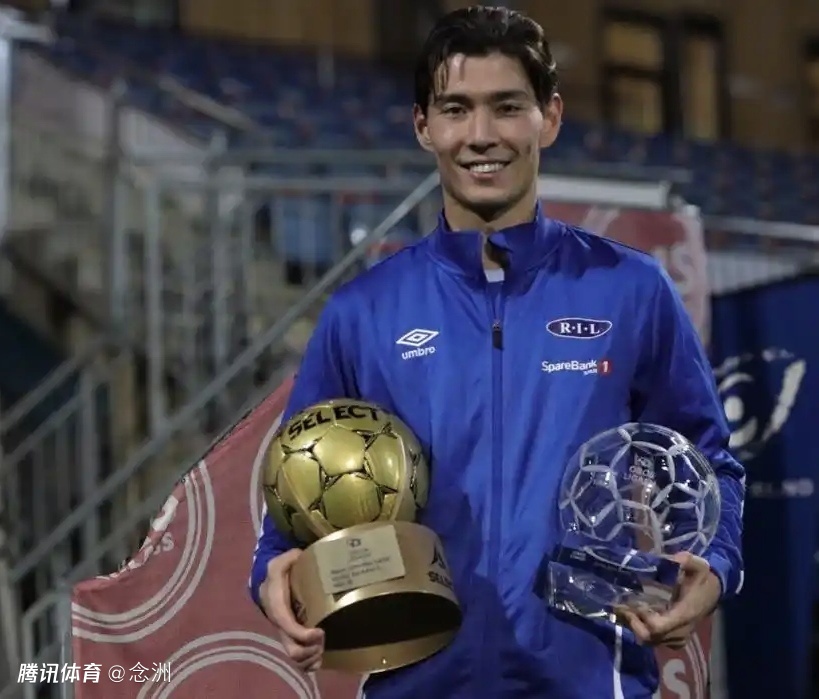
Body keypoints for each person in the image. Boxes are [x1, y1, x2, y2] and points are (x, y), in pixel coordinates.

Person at [249, 6, 745, 698]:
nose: (481, 135)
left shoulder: (629, 289)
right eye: (456, 109)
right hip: (417, 681)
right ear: (423, 125)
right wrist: (273, 568)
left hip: (589, 680)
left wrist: (715, 564)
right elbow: (295, 488)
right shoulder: (363, 312)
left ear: (550, 117)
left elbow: (706, 457)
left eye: (507, 107)